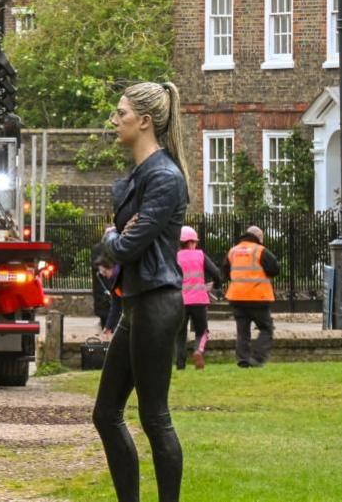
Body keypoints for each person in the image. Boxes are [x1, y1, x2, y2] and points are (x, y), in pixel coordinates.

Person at [93, 81, 190, 502]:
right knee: (105, 414)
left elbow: (125, 246)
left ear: (145, 121)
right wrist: (117, 238)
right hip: (136, 302)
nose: (114, 121)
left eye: (122, 113)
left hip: (157, 302)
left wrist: (113, 237)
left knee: (154, 417)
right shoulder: (142, 175)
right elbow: (119, 244)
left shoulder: (165, 176)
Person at [223, 225, 280, 368]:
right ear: (259, 238)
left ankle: (242, 359)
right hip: (258, 297)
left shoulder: (233, 251)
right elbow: (274, 269)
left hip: (237, 297)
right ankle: (258, 358)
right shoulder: (260, 251)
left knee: (242, 331)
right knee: (266, 328)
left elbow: (224, 272)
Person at [175, 225, 221, 370]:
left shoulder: (174, 256)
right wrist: (215, 285)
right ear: (191, 242)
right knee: (202, 331)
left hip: (180, 301)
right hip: (199, 300)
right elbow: (216, 273)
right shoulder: (200, 255)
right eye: (195, 241)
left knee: (180, 333)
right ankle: (198, 351)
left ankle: (180, 364)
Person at [93, 248, 122, 339]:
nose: (104, 275)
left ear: (111, 267)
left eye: (105, 272)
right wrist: (108, 326)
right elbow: (115, 305)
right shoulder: (112, 280)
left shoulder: (123, 277)